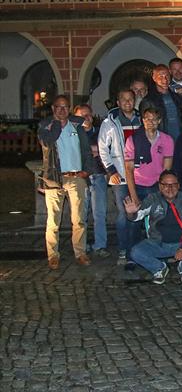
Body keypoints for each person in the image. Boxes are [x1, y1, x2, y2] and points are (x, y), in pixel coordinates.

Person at [38, 95, 94, 269]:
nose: (62, 110)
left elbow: (86, 148)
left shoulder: (76, 125)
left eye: (65, 107)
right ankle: (52, 255)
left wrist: (87, 170)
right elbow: (49, 140)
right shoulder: (45, 126)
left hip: (76, 177)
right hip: (55, 178)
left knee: (79, 219)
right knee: (53, 220)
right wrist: (57, 123)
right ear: (53, 108)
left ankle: (80, 253)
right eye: (58, 107)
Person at [124, 170, 182, 284]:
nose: (170, 188)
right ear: (160, 186)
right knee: (135, 252)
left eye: (173, 185)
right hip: (158, 243)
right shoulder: (153, 199)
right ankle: (159, 268)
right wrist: (131, 213)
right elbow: (137, 215)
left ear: (178, 186)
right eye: (165, 185)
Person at [98, 89, 141, 263]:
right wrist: (111, 171)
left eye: (130, 99)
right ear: (118, 102)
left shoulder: (141, 119)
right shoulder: (110, 122)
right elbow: (102, 148)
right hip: (121, 176)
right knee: (124, 214)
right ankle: (124, 248)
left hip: (140, 174)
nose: (127, 102)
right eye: (123, 99)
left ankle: (136, 248)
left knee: (139, 211)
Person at [73, 103, 110, 257]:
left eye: (88, 115)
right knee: (81, 214)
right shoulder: (73, 133)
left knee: (99, 213)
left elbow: (106, 149)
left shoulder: (100, 132)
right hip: (81, 177)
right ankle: (82, 245)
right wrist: (92, 150)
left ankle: (100, 245)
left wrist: (95, 151)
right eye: (82, 115)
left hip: (98, 175)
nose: (86, 118)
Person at [124, 107, 174, 206]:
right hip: (137, 184)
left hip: (157, 184)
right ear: (143, 120)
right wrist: (134, 197)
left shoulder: (167, 140)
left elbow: (167, 169)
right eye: (147, 119)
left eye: (154, 119)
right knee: (134, 217)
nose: (150, 122)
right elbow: (129, 169)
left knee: (158, 218)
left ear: (159, 121)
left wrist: (163, 191)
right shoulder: (132, 140)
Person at [140, 64, 182, 141]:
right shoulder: (149, 100)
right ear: (154, 78)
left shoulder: (177, 97)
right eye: (160, 76)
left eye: (167, 76)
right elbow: (147, 125)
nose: (165, 80)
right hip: (160, 141)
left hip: (179, 139)